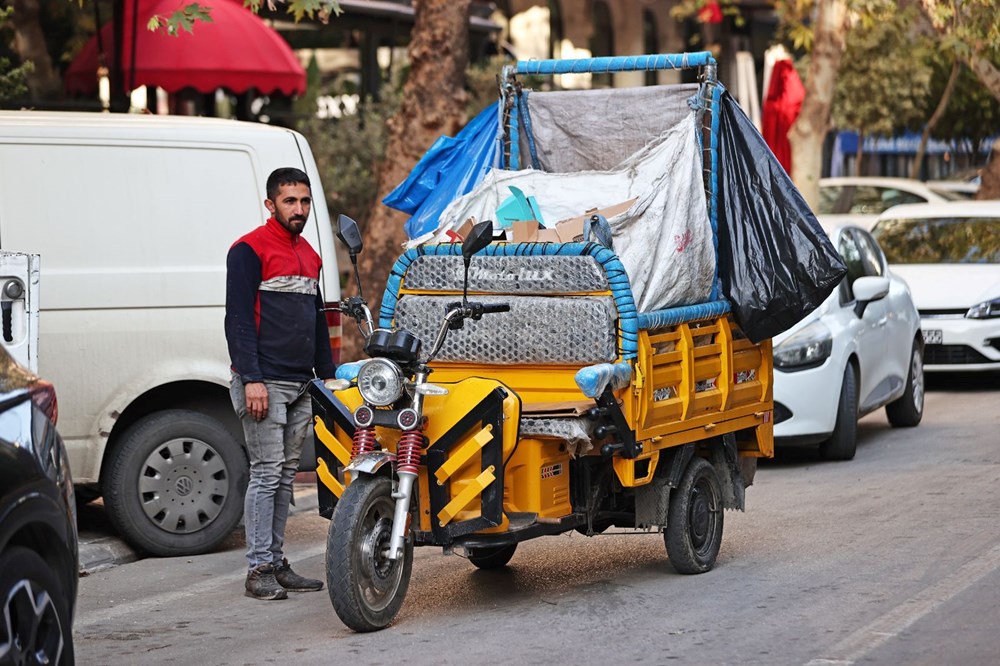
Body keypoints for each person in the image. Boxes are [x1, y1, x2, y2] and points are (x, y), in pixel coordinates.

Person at [225, 167, 337, 600]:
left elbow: (315, 319)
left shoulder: (310, 254)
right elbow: (237, 320)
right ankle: (258, 570)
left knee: (287, 475)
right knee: (267, 473)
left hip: (301, 384)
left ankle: (274, 561)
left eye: (305, 201)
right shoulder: (248, 250)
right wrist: (251, 378)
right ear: (270, 205)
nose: (299, 209)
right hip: (264, 383)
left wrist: (326, 376)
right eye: (290, 201)